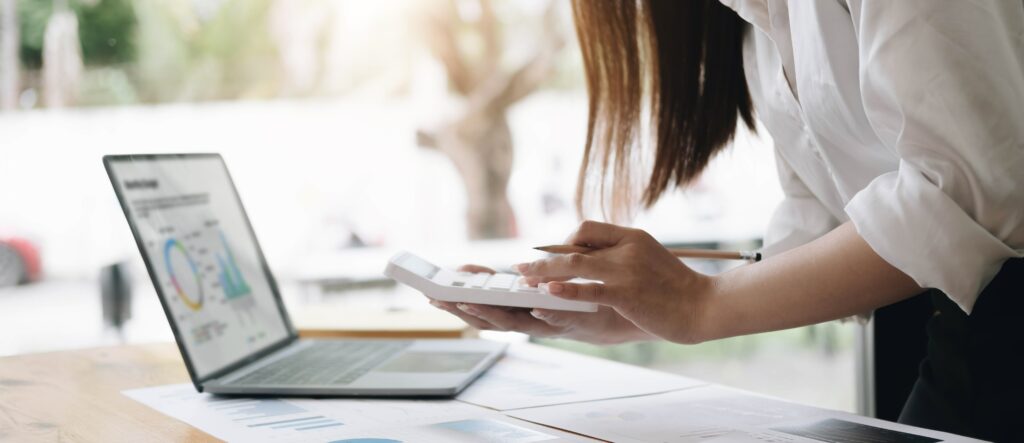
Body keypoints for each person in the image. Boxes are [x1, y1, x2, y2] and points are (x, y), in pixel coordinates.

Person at [427, 1, 1024, 441]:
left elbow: (967, 195)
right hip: (960, 318)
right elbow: (823, 227)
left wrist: (698, 303)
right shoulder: (755, 31)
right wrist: (627, 309)